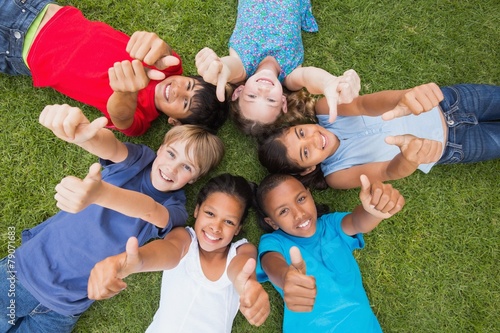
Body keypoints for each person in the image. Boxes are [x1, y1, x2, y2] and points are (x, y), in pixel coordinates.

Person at [0, 104, 224, 332]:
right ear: (160, 148)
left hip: (63, 309)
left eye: (186, 167)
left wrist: (102, 195)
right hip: (23, 271)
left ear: (195, 179)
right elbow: (111, 148)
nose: (172, 168)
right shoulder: (139, 160)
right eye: (171, 154)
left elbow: (149, 210)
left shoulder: (175, 207)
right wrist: (85, 136)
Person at [0, 0, 227, 135]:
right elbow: (164, 51)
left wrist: (126, 93)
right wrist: (157, 45)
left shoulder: (141, 120)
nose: (178, 90)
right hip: (33, 10)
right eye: (188, 85)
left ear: (174, 122)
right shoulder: (170, 68)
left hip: (16, 53)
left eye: (184, 102)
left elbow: (121, 117)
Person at [88, 173, 270, 332]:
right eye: (210, 213)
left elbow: (241, 270)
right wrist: (134, 262)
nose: (216, 227)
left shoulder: (242, 251)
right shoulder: (184, 239)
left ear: (238, 228)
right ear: (197, 210)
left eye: (229, 222)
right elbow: (168, 251)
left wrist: (247, 286)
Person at [258, 82, 500, 189]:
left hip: (447, 102)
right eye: (306, 152)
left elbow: (364, 105)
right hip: (453, 146)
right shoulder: (337, 176)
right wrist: (409, 159)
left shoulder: (325, 110)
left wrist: (402, 98)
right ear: (308, 169)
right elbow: (387, 172)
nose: (313, 139)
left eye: (301, 132)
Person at [255, 173, 405, 332]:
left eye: (301, 199)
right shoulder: (274, 241)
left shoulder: (332, 224)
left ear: (310, 195)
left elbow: (358, 222)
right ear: (272, 222)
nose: (299, 214)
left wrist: (373, 211)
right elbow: (270, 262)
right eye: (284, 211)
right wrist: (286, 277)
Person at [195, 0, 360, 136]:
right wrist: (327, 82)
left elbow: (230, 68)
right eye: (270, 100)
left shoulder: (242, 66)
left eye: (252, 96)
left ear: (239, 91)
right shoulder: (290, 76)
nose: (263, 90)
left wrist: (222, 68)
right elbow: (308, 76)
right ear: (283, 102)